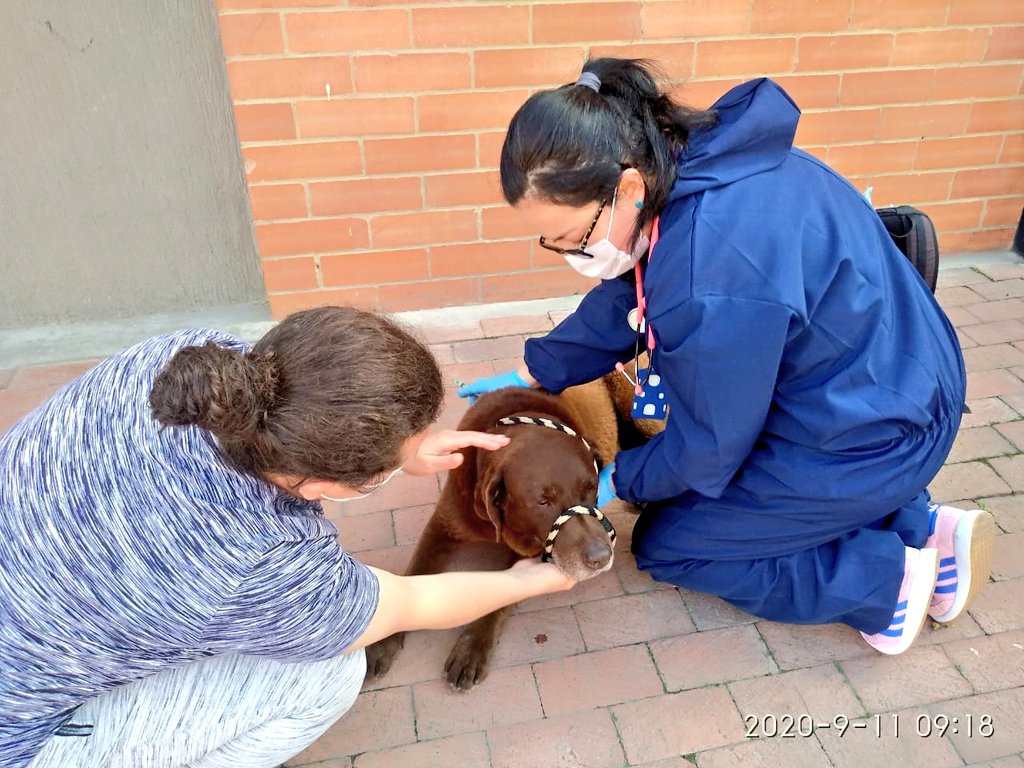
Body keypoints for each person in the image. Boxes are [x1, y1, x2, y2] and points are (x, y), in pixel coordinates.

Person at [458, 58, 994, 656]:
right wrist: (541, 367)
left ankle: (884, 582)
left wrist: (621, 478)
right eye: (548, 242)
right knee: (700, 487)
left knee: (674, 540)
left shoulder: (708, 277)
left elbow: (711, 448)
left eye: (571, 238)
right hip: (902, 382)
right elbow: (636, 287)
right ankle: (921, 524)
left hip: (871, 435)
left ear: (627, 188)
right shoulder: (704, 161)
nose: (567, 254)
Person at [0, 306, 576, 768]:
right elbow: (410, 602)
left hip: (45, 579)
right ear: (321, 485)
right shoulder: (264, 563)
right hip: (21, 735)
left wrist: (404, 450)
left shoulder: (184, 365)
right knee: (330, 674)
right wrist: (535, 576)